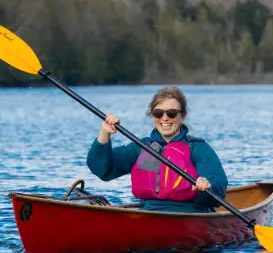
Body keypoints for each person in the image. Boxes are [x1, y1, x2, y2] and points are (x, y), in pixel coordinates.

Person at [86, 87, 228, 213]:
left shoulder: (198, 148)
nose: (164, 118)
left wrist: (208, 185)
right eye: (158, 113)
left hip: (189, 212)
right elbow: (102, 169)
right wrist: (105, 134)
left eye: (171, 113)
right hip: (149, 211)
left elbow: (218, 186)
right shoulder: (140, 147)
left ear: (183, 116)